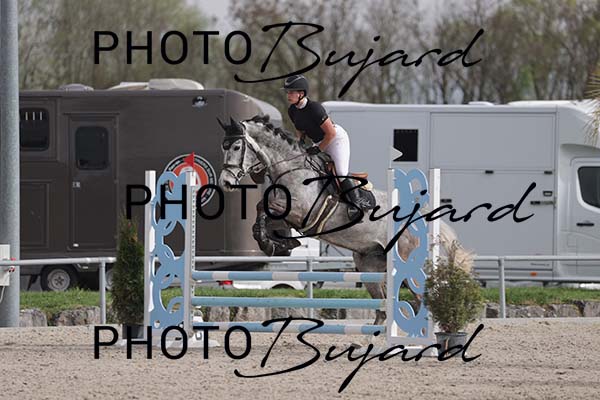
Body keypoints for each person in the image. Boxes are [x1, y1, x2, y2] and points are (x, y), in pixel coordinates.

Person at [283, 74, 363, 219]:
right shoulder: (292, 110)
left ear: (301, 93)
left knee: (340, 172)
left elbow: (331, 133)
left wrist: (319, 149)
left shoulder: (315, 108)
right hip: (319, 141)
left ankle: (356, 205)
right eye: (287, 92)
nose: (288, 95)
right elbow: (299, 128)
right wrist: (300, 141)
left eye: (291, 92)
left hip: (336, 139)